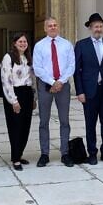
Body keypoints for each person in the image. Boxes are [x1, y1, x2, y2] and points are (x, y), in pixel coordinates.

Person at [74, 13, 103, 165]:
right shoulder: (81, 45)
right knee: (90, 124)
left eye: (101, 26)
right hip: (89, 92)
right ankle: (92, 153)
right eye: (96, 26)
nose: (98, 29)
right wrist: (80, 91)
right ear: (90, 28)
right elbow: (77, 71)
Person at [32, 17, 75, 167]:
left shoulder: (67, 45)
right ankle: (44, 154)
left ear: (58, 27)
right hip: (45, 86)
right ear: (45, 28)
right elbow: (37, 68)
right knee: (44, 121)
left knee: (64, 121)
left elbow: (71, 65)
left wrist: (60, 81)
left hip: (63, 86)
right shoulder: (39, 46)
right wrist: (52, 82)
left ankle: (65, 153)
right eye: (49, 26)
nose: (52, 27)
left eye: (55, 25)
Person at [0, 32, 36, 171]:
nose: (23, 44)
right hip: (14, 94)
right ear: (14, 43)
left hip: (27, 93)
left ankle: (19, 154)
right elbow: (6, 80)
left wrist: (33, 98)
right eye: (20, 41)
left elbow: (32, 79)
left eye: (25, 42)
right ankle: (15, 159)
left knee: (25, 126)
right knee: (15, 127)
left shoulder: (28, 57)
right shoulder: (8, 57)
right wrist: (13, 101)